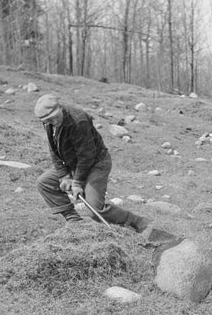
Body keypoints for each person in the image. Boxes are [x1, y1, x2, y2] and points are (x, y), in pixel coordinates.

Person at [34, 94, 152, 235]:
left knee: (95, 209)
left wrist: (77, 183)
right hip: (74, 164)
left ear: (60, 108)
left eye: (55, 116)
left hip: (97, 163)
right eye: (48, 120)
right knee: (44, 182)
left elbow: (86, 156)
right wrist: (64, 175)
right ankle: (74, 221)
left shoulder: (78, 120)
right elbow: (53, 149)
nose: (54, 121)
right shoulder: (49, 123)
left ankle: (137, 221)